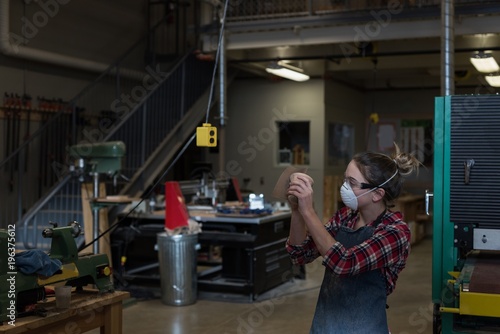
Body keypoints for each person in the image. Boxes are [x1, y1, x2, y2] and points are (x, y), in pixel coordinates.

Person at [286, 143, 420, 334]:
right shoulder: (345, 217)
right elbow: (300, 254)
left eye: (352, 183)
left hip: (365, 328)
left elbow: (344, 262)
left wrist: (309, 211)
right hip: (325, 325)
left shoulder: (395, 232)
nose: (344, 187)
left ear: (377, 194)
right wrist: (297, 211)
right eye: (344, 180)